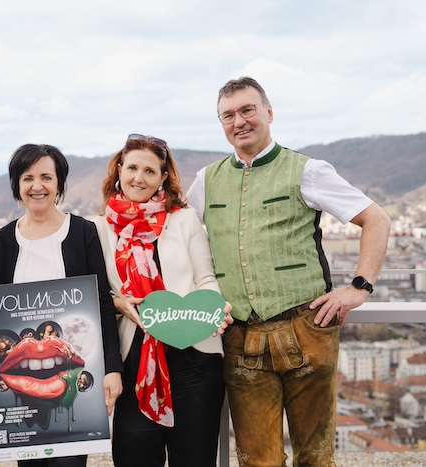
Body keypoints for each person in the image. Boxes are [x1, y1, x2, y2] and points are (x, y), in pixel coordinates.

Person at [186, 76, 392, 466]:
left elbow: (376, 219)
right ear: (221, 123)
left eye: (248, 110)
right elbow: (178, 238)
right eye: (228, 115)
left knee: (315, 457)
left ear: (268, 112)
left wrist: (359, 287)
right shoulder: (206, 181)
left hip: (307, 329)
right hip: (241, 337)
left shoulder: (307, 170)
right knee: (257, 460)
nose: (239, 121)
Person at [0, 144, 124, 467]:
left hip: (73, 386)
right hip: (18, 397)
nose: (36, 186)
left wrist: (112, 368)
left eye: (46, 177)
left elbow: (102, 306)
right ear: (17, 185)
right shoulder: (2, 240)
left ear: (59, 184)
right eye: (27, 178)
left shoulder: (83, 232)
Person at [92, 134, 234, 467]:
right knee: (134, 456)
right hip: (133, 361)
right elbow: (97, 293)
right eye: (132, 168)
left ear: (163, 177)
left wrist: (214, 309)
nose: (138, 178)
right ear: (119, 171)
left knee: (194, 459)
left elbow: (206, 279)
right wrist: (117, 303)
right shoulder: (98, 229)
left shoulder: (183, 220)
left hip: (194, 358)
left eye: (149, 171)